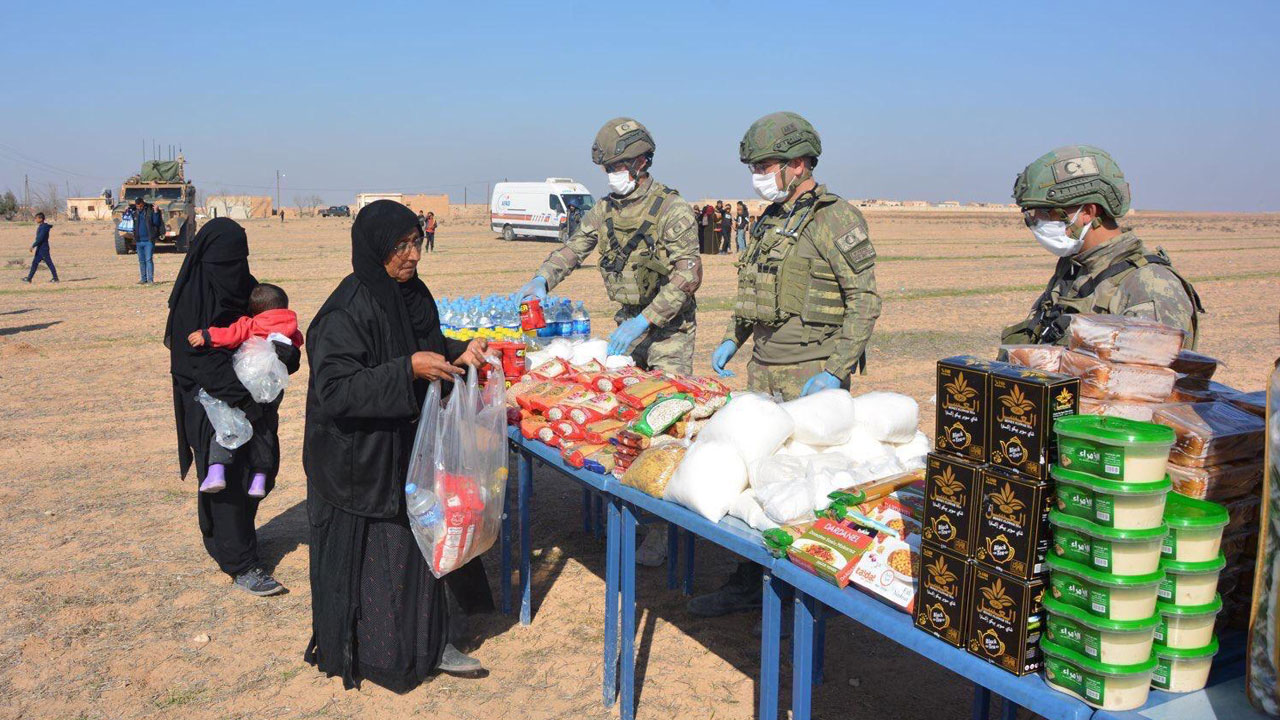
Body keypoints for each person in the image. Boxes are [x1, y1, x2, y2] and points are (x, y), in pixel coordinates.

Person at [691, 112, 882, 618]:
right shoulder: (771, 218)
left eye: (764, 164)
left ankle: (808, 591)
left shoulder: (836, 218)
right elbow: (756, 290)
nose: (757, 174)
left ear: (798, 163)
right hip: (764, 369)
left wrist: (837, 365)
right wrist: (733, 339)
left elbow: (864, 298)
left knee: (808, 483)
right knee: (759, 479)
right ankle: (749, 580)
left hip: (811, 371)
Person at [304, 200, 493, 689]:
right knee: (381, 560)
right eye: (400, 247)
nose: (412, 256)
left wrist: (458, 351)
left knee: (419, 547)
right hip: (359, 460)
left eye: (416, 243)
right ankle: (381, 654)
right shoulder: (346, 310)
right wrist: (404, 370)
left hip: (405, 448)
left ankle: (432, 642)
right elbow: (336, 390)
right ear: (373, 249)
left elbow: (419, 339)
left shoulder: (412, 293)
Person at [516, 117, 702, 567]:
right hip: (626, 328)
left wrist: (646, 321)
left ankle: (661, 531)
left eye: (618, 164)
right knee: (623, 419)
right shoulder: (604, 210)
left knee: (664, 426)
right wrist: (543, 278)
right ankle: (633, 511)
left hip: (667, 334)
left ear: (642, 161)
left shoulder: (671, 209)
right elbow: (575, 247)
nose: (612, 173)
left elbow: (688, 275)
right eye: (607, 167)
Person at [166, 218, 301, 597]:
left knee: (257, 471)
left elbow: (275, 333)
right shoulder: (192, 304)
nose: (233, 271)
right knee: (224, 478)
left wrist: (287, 357)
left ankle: (240, 541)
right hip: (209, 403)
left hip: (256, 403)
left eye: (239, 260)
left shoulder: (248, 290)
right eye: (226, 262)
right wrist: (240, 397)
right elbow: (194, 362)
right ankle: (240, 561)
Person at [1002, 145, 1203, 347]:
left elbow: (1149, 375)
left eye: (1046, 213)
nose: (1036, 221)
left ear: (1087, 212)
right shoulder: (1073, 271)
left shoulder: (1150, 287)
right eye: (1031, 215)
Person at [187, 282, 304, 498]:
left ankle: (216, 470)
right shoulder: (292, 328)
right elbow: (296, 346)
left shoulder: (251, 323)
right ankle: (259, 479)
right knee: (265, 427)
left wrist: (207, 335)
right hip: (272, 389)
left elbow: (230, 335)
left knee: (227, 421)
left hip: (247, 383)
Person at [131, 197, 164, 284]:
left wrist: (156, 211)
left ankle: (150, 280)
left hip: (149, 240)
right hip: (139, 241)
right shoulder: (135, 213)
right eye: (138, 206)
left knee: (148, 260)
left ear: (143, 204)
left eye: (141, 206)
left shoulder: (150, 211)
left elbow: (156, 223)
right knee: (141, 261)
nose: (139, 208)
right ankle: (143, 279)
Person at [21, 212, 59, 283]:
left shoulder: (44, 227)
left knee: (49, 263)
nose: (35, 219)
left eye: (36, 218)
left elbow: (40, 238)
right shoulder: (41, 226)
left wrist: (33, 245)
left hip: (43, 249)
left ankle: (55, 278)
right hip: (40, 248)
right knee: (35, 263)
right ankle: (29, 278)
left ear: (41, 219)